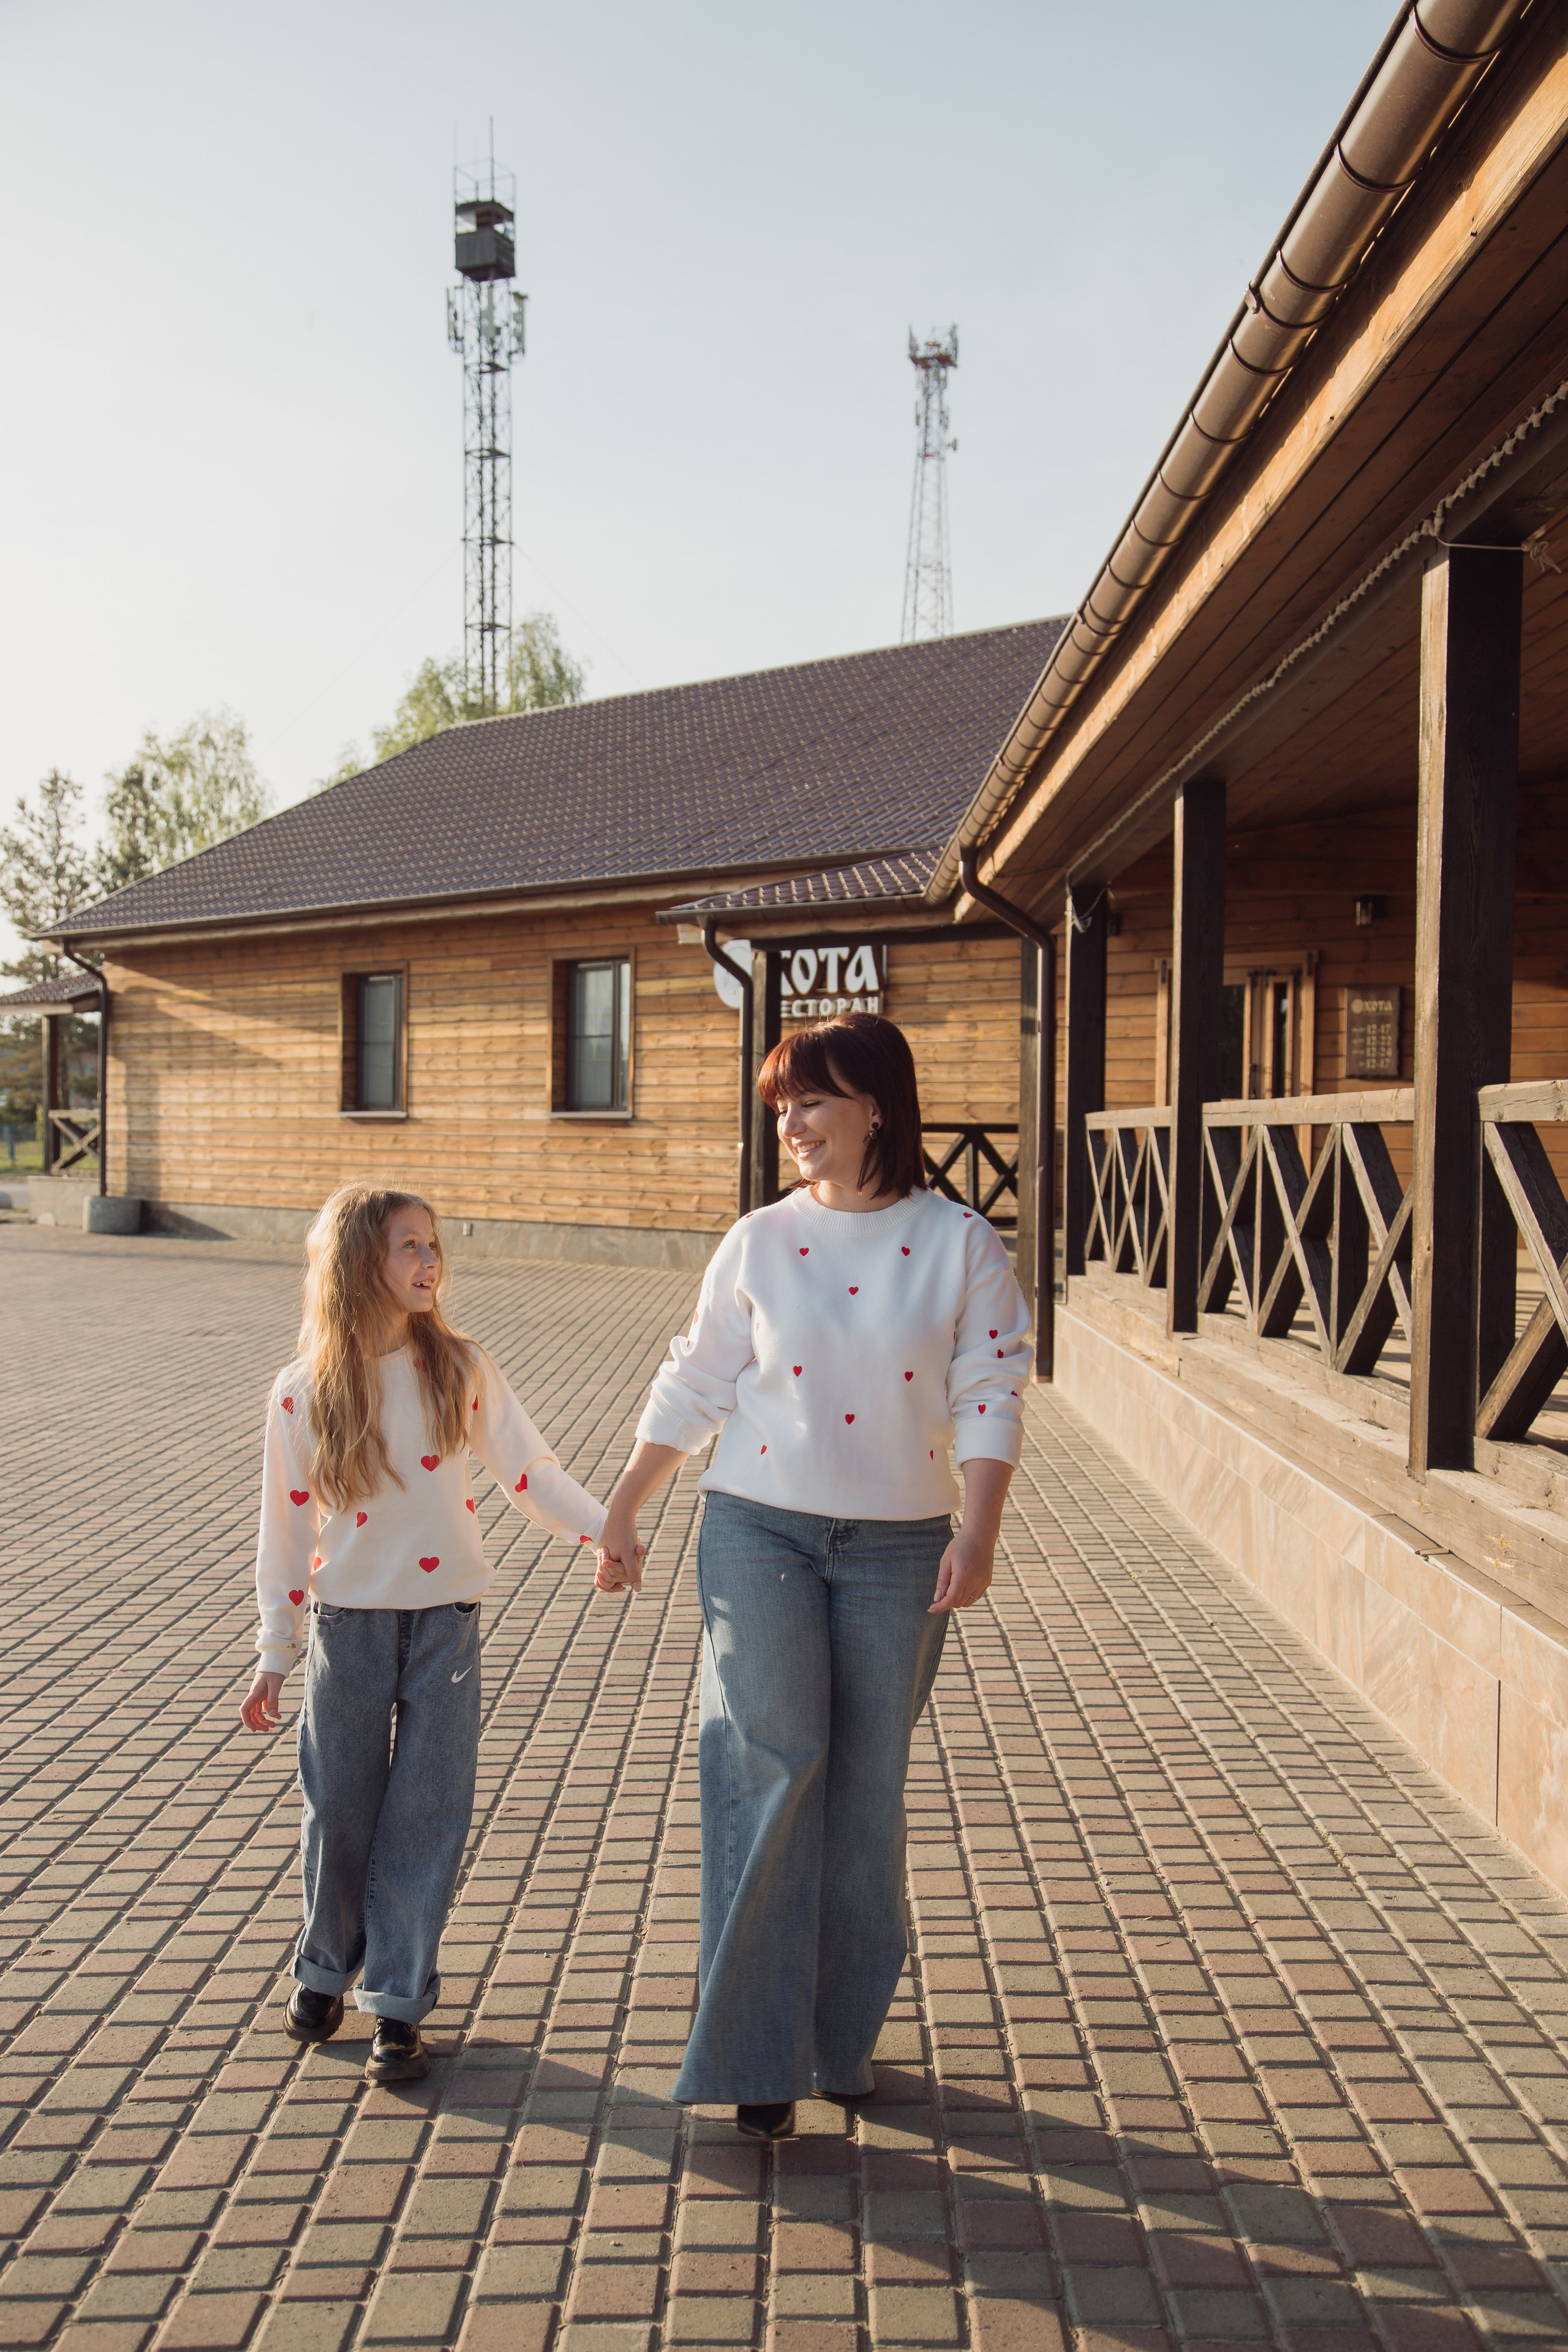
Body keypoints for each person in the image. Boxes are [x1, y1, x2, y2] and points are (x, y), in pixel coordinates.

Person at [595, 1012, 1031, 2139]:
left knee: (864, 1790)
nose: (790, 1124)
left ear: (876, 1106)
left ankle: (839, 2042)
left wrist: (979, 1532)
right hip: (759, 1530)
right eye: (781, 1106)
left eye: (812, 1101)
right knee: (773, 1765)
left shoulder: (962, 1244)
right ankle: (758, 2060)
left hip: (901, 1546)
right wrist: (625, 1506)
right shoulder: (758, 1241)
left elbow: (991, 1389)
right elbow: (697, 1380)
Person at [239, 1182, 609, 2083]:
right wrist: (274, 1651)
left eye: (434, 1244)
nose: (430, 1260)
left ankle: (398, 2002)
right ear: (358, 1261)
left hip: (447, 1625)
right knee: (340, 1806)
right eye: (410, 1244)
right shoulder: (301, 1393)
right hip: (348, 1630)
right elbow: (284, 1532)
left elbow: (529, 1470)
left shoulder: (461, 1366)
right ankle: (325, 1966)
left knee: (428, 1813)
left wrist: (608, 1529)